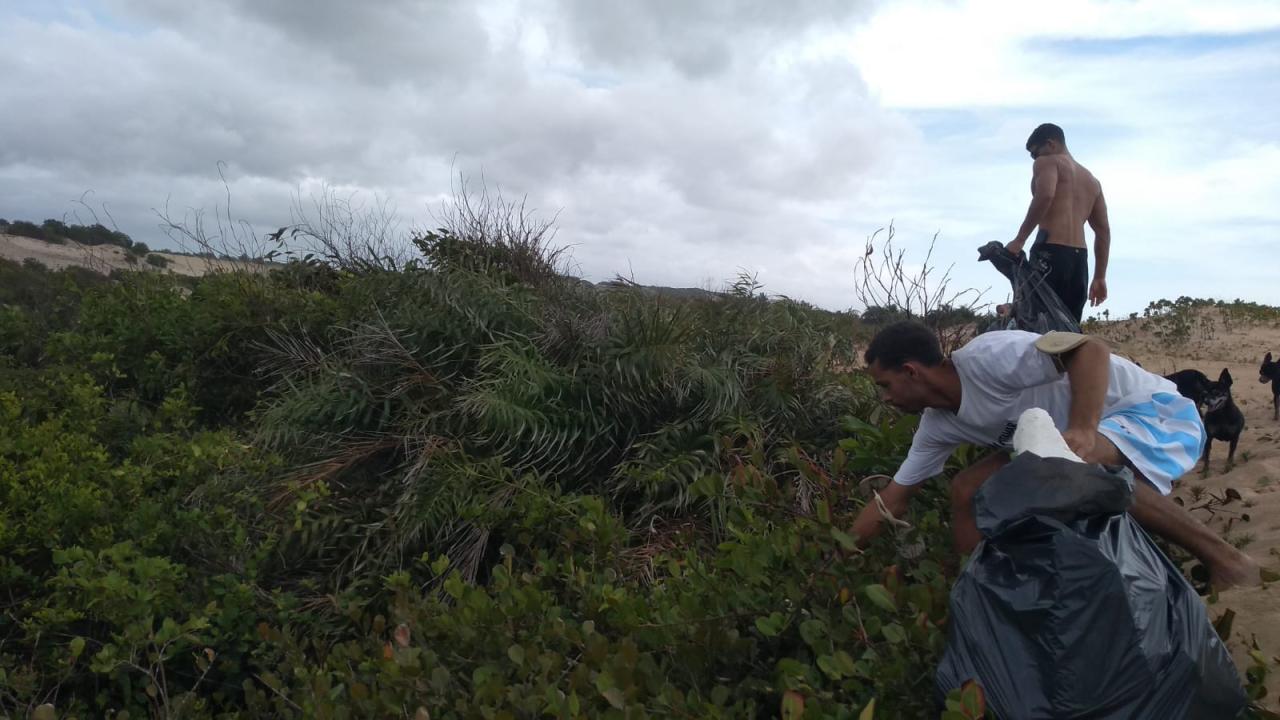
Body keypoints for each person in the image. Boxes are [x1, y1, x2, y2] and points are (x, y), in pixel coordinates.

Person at [850, 320, 1261, 590]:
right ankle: (976, 587)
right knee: (966, 489)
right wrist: (841, 555)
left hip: (1153, 411)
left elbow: (1091, 349)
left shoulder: (987, 357)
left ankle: (1228, 562)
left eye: (885, 385)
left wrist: (1082, 427)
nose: (885, 398)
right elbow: (894, 497)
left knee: (1072, 457)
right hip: (1085, 438)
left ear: (911, 371)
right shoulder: (938, 425)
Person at [1006, 123, 1109, 322]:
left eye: (1035, 153)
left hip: (1050, 254)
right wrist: (1099, 277)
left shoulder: (1048, 162)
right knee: (1068, 332)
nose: (1034, 159)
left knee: (1035, 325)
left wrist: (1019, 240)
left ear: (1051, 144)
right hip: (1079, 261)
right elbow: (1103, 231)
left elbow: (1045, 196)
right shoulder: (1092, 181)